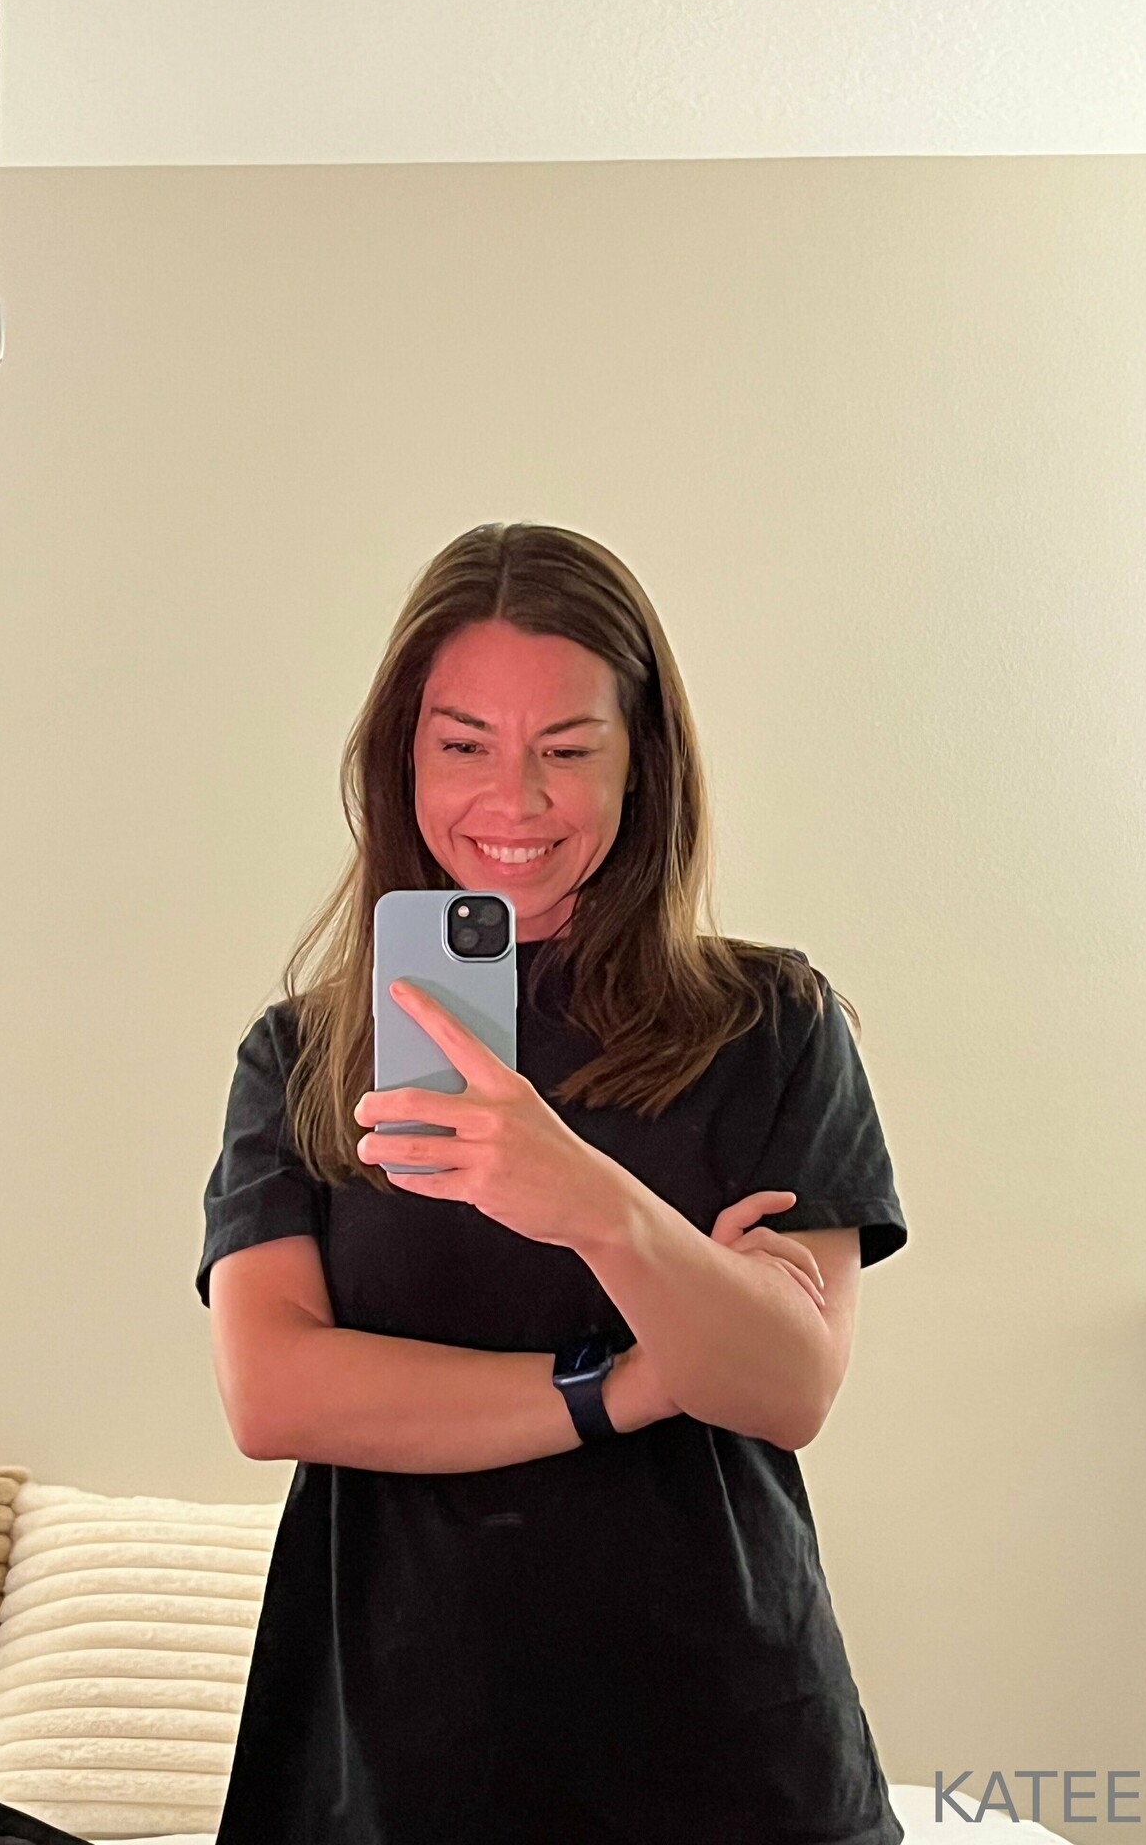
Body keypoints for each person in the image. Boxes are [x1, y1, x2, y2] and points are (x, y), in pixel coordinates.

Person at [196, 522, 909, 1845]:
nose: (514, 804)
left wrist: (589, 1199)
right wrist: (626, 1382)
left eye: (568, 751)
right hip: (388, 1760)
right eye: (464, 745)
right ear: (401, 758)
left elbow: (788, 1388)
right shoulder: (305, 1057)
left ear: (643, 762)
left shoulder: (771, 1025)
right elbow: (275, 1392)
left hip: (727, 1753)